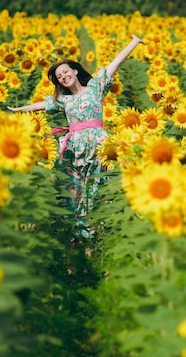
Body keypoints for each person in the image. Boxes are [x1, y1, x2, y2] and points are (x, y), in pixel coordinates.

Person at [8, 34, 144, 238]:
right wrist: (20, 109)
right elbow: (41, 105)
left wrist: (134, 42)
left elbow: (116, 62)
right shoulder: (64, 100)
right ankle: (76, 234)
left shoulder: (95, 88)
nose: (63, 76)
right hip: (74, 150)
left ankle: (98, 231)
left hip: (98, 146)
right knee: (74, 190)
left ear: (74, 70)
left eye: (65, 72)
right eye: (59, 77)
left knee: (98, 185)